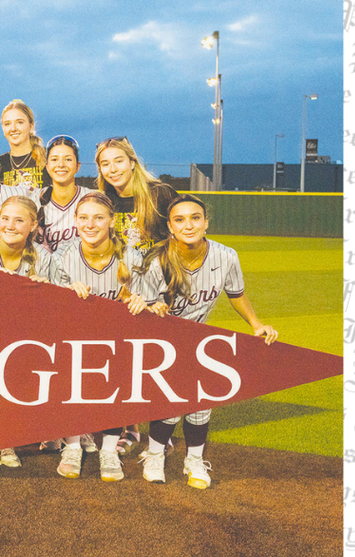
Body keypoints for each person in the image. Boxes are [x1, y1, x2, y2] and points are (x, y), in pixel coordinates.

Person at [137, 194, 279, 489]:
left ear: (206, 223)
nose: (188, 225)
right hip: (159, 340)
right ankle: (154, 455)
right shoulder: (155, 259)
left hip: (197, 337)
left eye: (195, 218)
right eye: (180, 220)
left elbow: (236, 294)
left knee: (202, 401)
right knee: (173, 403)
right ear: (170, 227)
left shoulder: (226, 255)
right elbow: (140, 306)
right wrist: (153, 309)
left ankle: (195, 459)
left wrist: (256, 324)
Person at [0, 195, 68, 469]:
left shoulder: (42, 257)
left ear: (33, 226)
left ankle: (7, 440)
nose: (10, 225)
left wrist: (44, 292)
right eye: (5, 219)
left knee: (15, 375)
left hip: (21, 334)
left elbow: (57, 310)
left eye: (19, 221)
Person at [53, 192, 148, 481]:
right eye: (83, 218)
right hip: (73, 338)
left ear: (111, 221)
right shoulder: (64, 255)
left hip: (116, 340)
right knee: (68, 389)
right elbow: (48, 306)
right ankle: (72, 446)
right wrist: (65, 295)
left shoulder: (130, 256)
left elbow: (147, 296)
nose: (90, 224)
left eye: (98, 217)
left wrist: (142, 299)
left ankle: (108, 449)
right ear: (75, 221)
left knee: (113, 392)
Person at [94, 136, 179, 454]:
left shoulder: (160, 194)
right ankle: (128, 429)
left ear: (132, 161)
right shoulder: (103, 200)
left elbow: (176, 245)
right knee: (121, 362)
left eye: (118, 160)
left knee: (156, 361)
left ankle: (161, 433)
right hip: (119, 293)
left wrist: (165, 296)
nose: (112, 168)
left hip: (157, 291)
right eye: (105, 163)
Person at [36, 135, 94, 254]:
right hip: (46, 271)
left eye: (68, 159)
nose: (61, 165)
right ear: (47, 166)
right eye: (54, 159)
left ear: (78, 166)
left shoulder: (90, 198)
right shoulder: (36, 199)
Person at [0, 100, 48, 189]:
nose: (13, 129)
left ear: (31, 126)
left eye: (19, 122)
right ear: (3, 128)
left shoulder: (50, 156)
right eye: (7, 124)